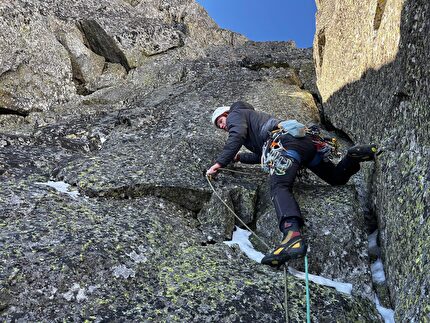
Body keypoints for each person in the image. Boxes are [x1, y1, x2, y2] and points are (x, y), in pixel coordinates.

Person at [206, 101, 379, 267]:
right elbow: (262, 154)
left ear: (227, 113)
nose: (222, 126)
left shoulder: (236, 114)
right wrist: (239, 158)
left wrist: (219, 163)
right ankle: (352, 157)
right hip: (304, 145)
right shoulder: (253, 122)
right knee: (335, 178)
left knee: (279, 186)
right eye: (219, 126)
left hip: (286, 144)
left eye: (221, 121)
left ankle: (292, 237)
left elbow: (236, 137)